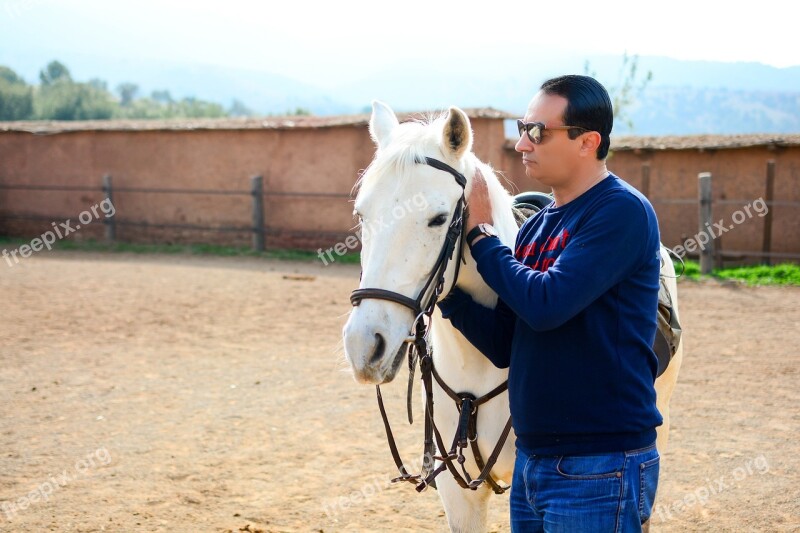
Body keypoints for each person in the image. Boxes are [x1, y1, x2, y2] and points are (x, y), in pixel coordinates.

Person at [438, 75, 662, 532]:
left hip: (600, 467)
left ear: (588, 142)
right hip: (534, 463)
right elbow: (506, 342)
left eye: (538, 131)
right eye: (524, 128)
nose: (522, 143)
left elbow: (546, 304)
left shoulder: (620, 213)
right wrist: (446, 294)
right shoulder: (536, 228)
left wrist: (481, 237)